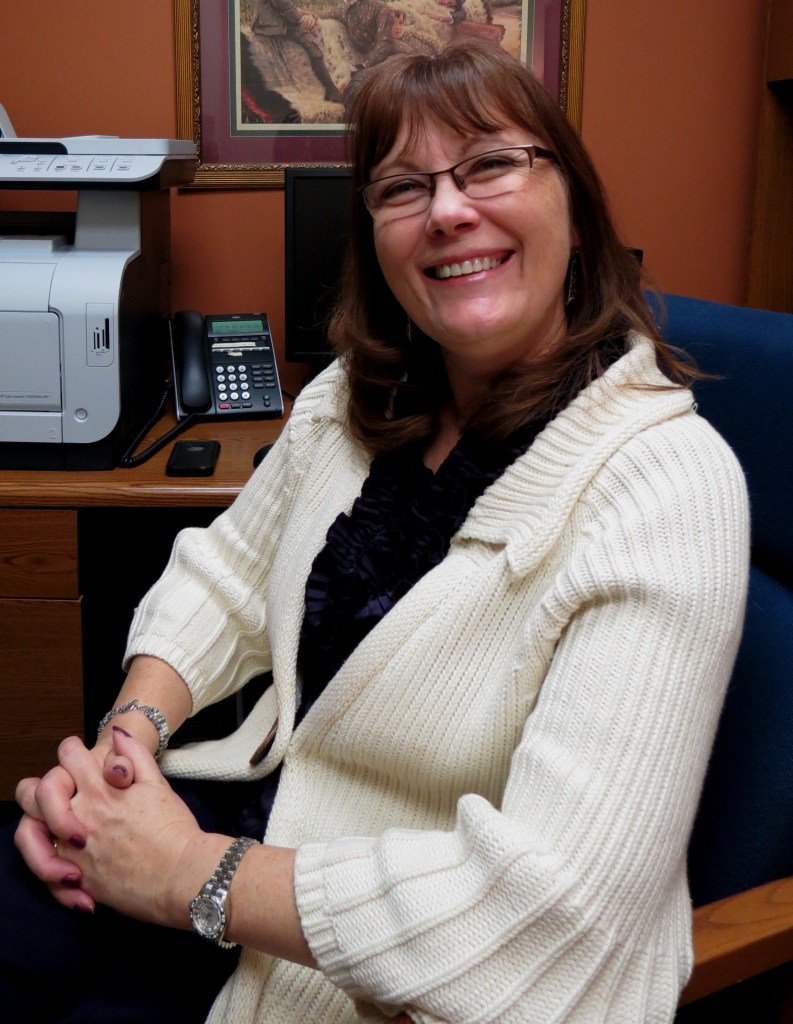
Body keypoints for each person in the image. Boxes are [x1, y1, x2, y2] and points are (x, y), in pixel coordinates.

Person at [2, 40, 749, 1024]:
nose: (446, 210)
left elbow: (554, 916)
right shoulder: (352, 400)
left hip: (393, 968)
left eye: (489, 164)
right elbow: (227, 576)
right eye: (403, 187)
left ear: (574, 199)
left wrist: (186, 871)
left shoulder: (667, 488)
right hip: (249, 825)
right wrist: (123, 751)